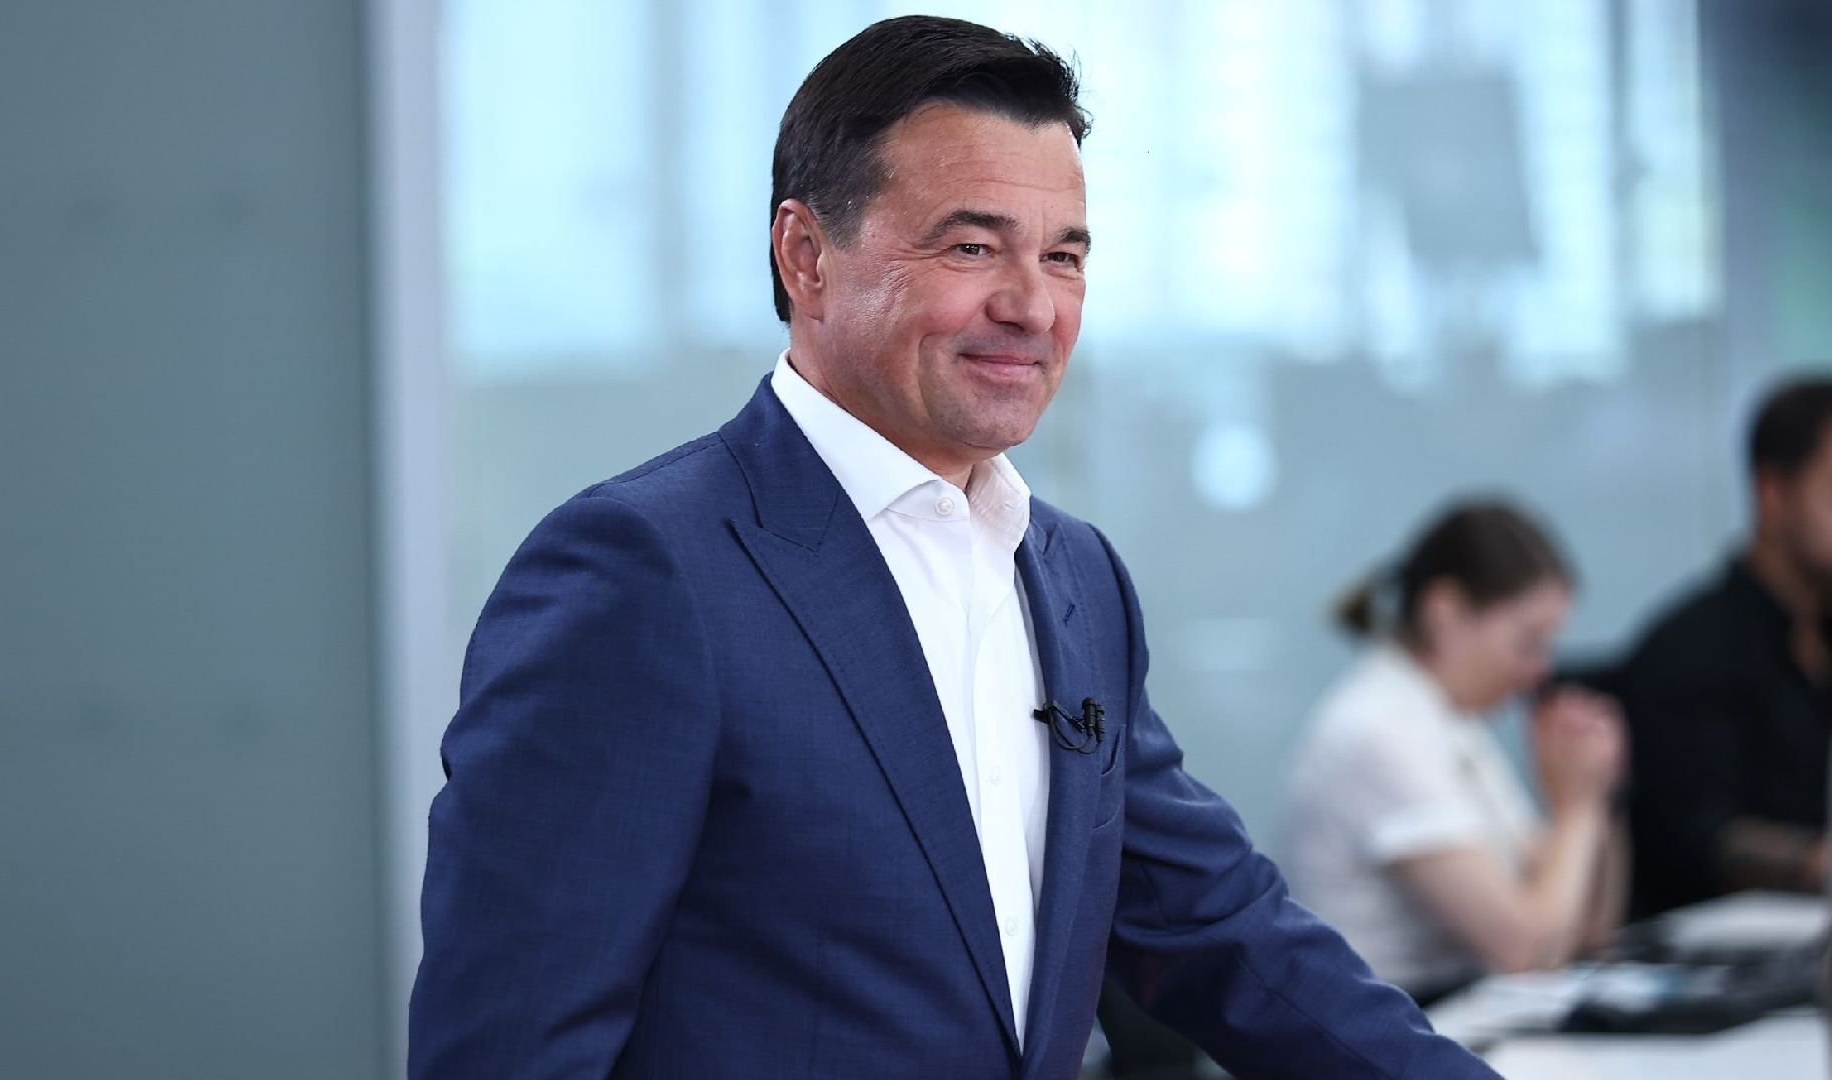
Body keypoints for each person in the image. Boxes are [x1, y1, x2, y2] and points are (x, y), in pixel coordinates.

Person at [409, 17, 1495, 1079]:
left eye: (1063, 256)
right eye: (971, 247)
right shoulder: (641, 572)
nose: (1031, 307)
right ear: (806, 256)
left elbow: (1221, 931)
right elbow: (509, 1046)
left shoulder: (1074, 578)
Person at [1283, 503, 1628, 1005]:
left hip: (1443, 1014)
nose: (1540, 670)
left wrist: (1596, 796)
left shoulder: (1453, 723)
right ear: (1445, 613)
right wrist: (1575, 809)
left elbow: (1584, 929)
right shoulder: (1380, 731)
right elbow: (1529, 951)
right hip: (1383, 1027)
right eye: (1529, 642)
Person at [1615, 379, 1832, 917]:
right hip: (1715, 937)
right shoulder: (1687, 649)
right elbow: (1697, 836)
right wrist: (1813, 861)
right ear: (1772, 492)